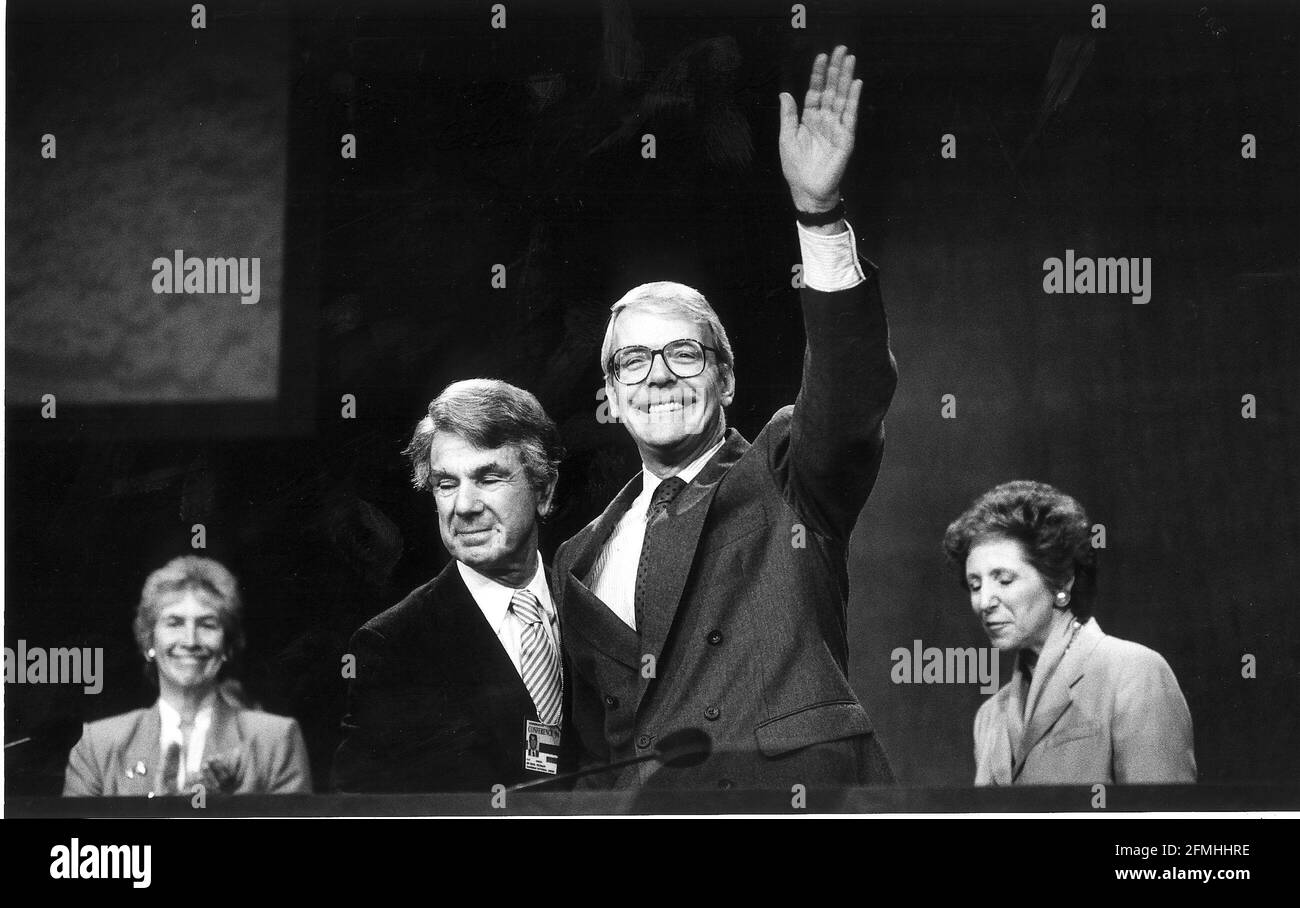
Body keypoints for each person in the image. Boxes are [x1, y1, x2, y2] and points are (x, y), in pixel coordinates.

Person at [553, 46, 898, 790]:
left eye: (684, 353)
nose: (660, 377)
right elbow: (598, 754)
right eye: (633, 363)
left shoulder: (783, 472)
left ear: (727, 376)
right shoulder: (577, 555)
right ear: (608, 397)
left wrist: (819, 217)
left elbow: (849, 392)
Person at [332, 379, 576, 792]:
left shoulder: (592, 604)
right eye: (446, 484)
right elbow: (363, 809)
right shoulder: (392, 645)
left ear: (545, 491)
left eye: (488, 478)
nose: (463, 506)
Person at [942, 480, 1197, 785]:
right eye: (975, 585)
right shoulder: (989, 717)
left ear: (1061, 580)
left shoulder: (1133, 673)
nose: (984, 601)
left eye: (1004, 580)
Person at [63, 556, 312, 796]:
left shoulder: (275, 740)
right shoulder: (98, 745)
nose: (190, 641)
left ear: (227, 645)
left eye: (207, 624)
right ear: (149, 640)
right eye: (174, 623)